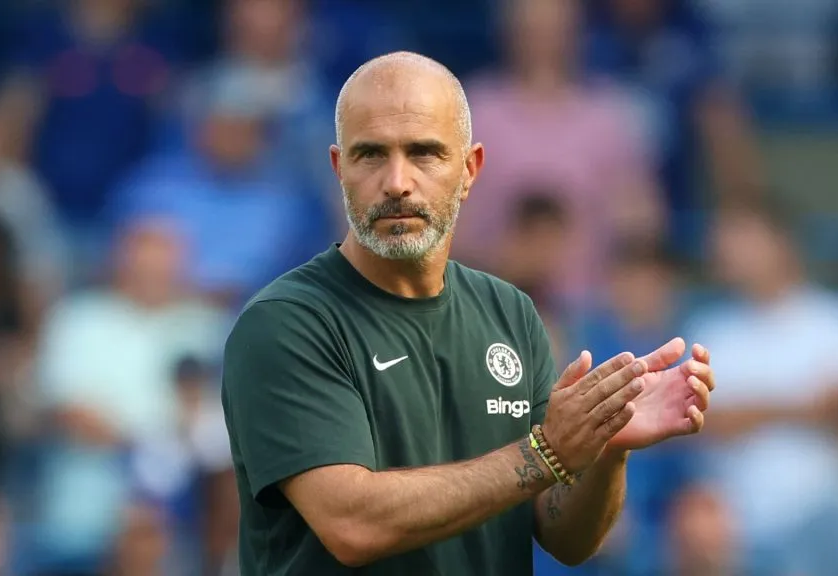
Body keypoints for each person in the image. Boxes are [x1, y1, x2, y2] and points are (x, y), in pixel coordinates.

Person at [221, 51, 717, 575]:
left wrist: (603, 444)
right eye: (370, 155)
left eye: (424, 153)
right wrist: (545, 452)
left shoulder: (510, 312)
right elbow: (352, 524)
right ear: (339, 169)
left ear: (469, 168)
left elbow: (565, 536)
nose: (397, 181)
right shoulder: (287, 323)